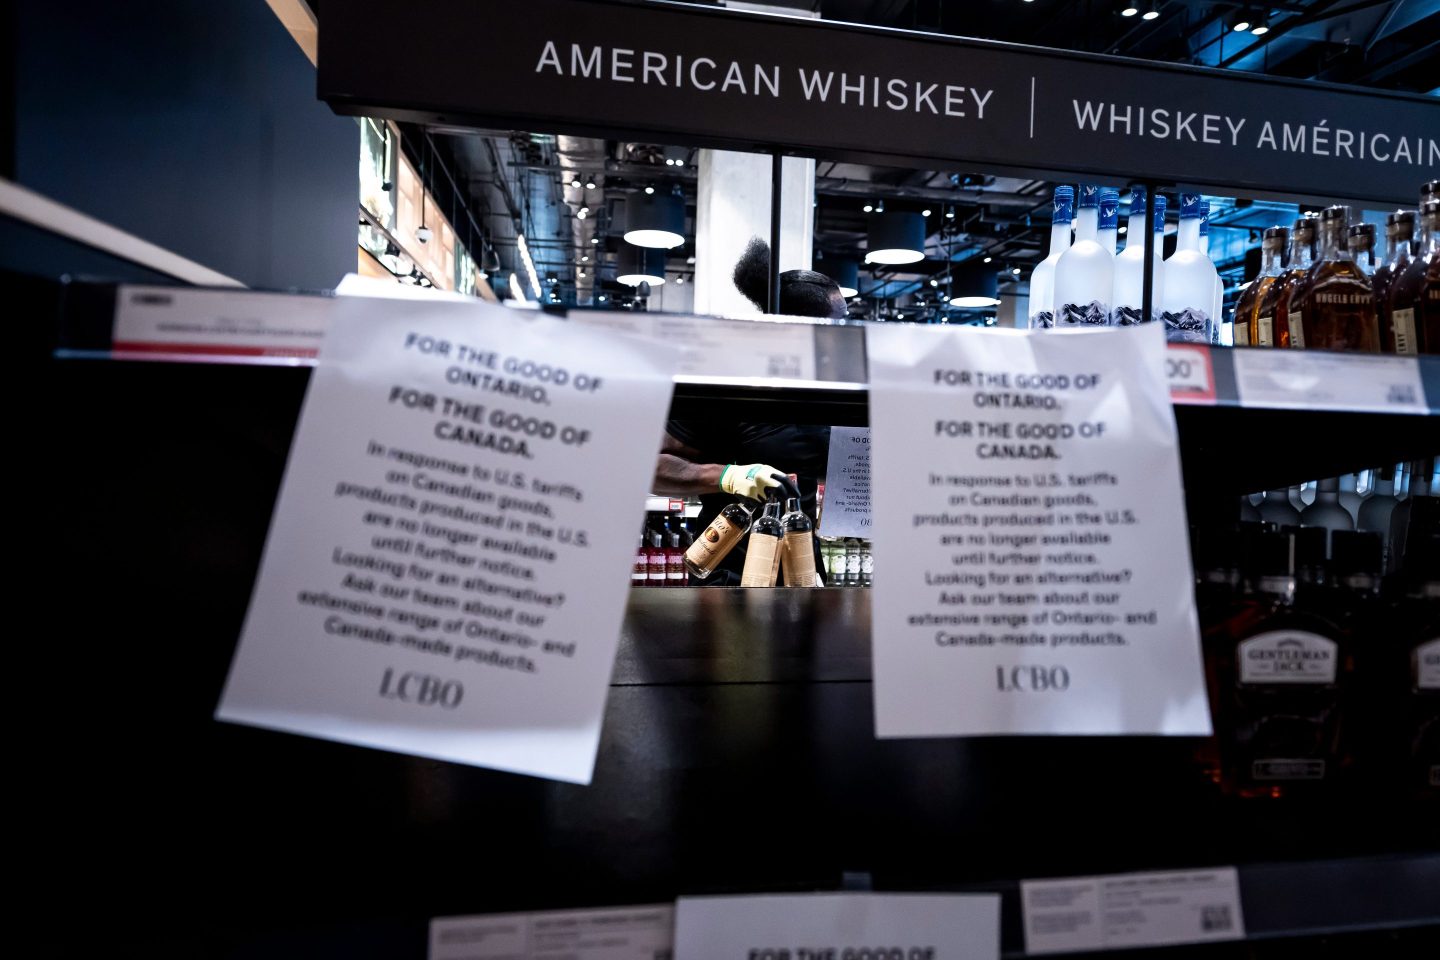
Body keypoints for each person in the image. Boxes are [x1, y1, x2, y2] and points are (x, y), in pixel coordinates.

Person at [654, 238, 846, 584]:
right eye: (840, 321)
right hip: (730, 570)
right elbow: (651, 465)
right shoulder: (727, 385)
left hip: (801, 567)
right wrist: (728, 476)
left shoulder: (824, 391)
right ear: (805, 327)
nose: (848, 332)